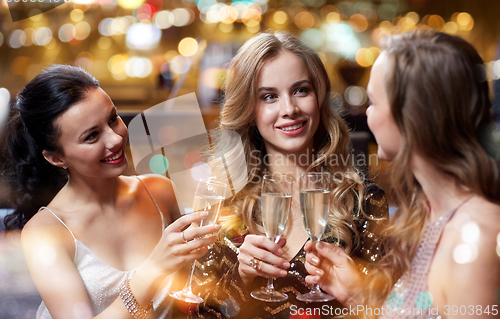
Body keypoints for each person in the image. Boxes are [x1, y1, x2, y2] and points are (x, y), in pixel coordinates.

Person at [189, 31, 389, 318]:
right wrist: (241, 277)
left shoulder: (364, 201)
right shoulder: (222, 201)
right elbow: (195, 314)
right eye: (269, 96)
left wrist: (357, 293)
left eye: (300, 90)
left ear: (318, 98)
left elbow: (392, 311)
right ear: (249, 111)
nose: (290, 109)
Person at [304, 29, 500, 318]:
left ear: (413, 115)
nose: (367, 115)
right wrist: (357, 295)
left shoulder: (476, 243)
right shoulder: (427, 213)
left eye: (373, 102)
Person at [0, 65, 221, 319]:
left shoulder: (159, 191)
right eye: (92, 136)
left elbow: (194, 289)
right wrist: (153, 269)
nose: (115, 139)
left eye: (113, 119)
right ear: (56, 157)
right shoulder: (45, 232)